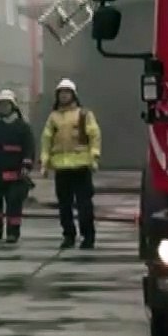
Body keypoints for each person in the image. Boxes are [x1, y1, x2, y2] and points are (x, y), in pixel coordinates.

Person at [40, 78, 102, 249]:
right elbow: (46, 140)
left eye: (67, 93)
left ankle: (88, 237)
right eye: (61, 93)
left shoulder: (84, 114)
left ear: (73, 95)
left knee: (85, 206)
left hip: (82, 166)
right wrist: (45, 162)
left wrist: (94, 157)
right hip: (61, 168)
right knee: (64, 206)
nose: (64, 96)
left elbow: (94, 136)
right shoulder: (53, 117)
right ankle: (68, 235)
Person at [0, 89, 36, 244]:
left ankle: (12, 234)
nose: (3, 108)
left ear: (13, 106)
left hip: (15, 174)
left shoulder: (22, 127)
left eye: (6, 104)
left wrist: (26, 165)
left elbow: (29, 147)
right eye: (1, 105)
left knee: (14, 206)